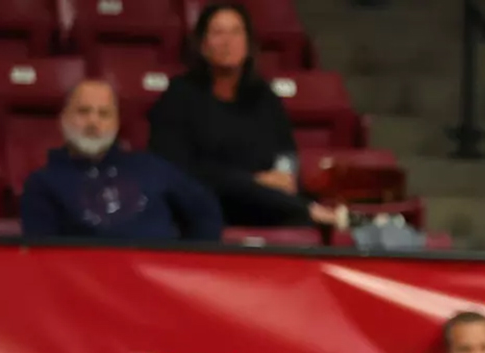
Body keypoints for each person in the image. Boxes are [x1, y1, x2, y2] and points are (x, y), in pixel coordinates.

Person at [147, 2, 340, 228]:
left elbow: (286, 151)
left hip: (266, 203)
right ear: (202, 44)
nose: (228, 41)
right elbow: (178, 167)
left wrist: (283, 175)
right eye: (218, 32)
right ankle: (311, 212)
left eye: (236, 32)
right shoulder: (179, 95)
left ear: (248, 44)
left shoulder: (263, 96)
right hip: (207, 203)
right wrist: (252, 182)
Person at [21, 78, 222, 242]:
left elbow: (206, 211)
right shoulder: (43, 184)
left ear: (116, 123)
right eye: (83, 112)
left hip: (157, 283)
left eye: (104, 114)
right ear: (63, 119)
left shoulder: (151, 167)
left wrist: (184, 264)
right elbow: (44, 258)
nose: (93, 122)